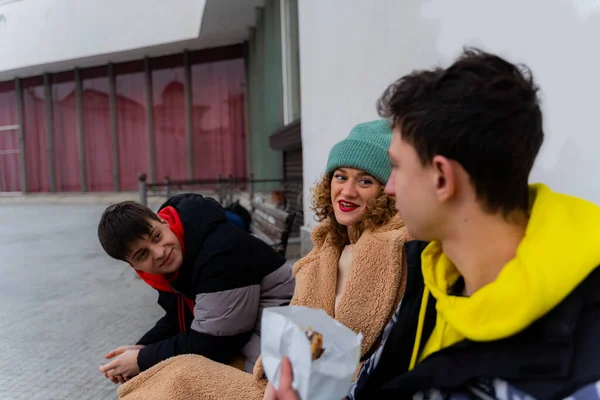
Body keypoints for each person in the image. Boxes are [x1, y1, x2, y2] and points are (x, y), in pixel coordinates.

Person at [271, 48, 600, 400]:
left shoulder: (582, 368)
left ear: (442, 177)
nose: (390, 187)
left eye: (397, 167)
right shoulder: (432, 275)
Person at [116, 120, 413, 400]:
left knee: (181, 377)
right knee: (168, 378)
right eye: (340, 176)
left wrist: (141, 356)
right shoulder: (327, 248)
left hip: (334, 387)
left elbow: (394, 350)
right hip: (289, 375)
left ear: (387, 191)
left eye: (364, 181)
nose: (347, 191)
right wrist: (143, 349)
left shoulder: (399, 250)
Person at [96, 193, 295, 384]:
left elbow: (214, 344)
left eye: (156, 237)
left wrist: (140, 359)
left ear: (165, 223)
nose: (159, 253)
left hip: (282, 331)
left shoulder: (220, 252)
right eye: (142, 255)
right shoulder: (172, 265)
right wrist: (142, 346)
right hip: (247, 332)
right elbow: (178, 317)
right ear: (134, 266)